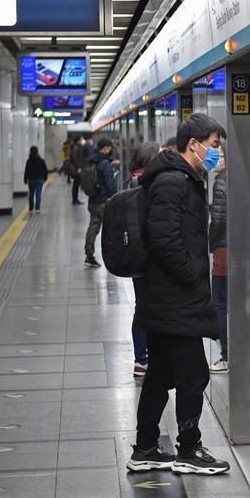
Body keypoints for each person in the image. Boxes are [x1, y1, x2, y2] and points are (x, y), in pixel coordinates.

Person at [127, 114, 230, 476]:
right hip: (174, 298)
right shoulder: (173, 181)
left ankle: (145, 448)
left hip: (167, 298)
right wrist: (192, 276)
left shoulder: (181, 178)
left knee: (159, 377)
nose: (216, 153)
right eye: (214, 145)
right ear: (194, 144)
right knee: (193, 375)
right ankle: (188, 448)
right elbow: (165, 240)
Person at [126, 141, 162, 377]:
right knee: (154, 307)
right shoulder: (150, 183)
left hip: (135, 255)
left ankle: (141, 359)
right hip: (152, 256)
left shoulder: (130, 181)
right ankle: (151, 358)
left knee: (141, 306)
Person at [209, 143, 228, 373]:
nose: (216, 158)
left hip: (224, 250)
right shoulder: (244, 177)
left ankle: (226, 356)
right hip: (243, 251)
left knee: (220, 305)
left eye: (220, 154)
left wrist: (211, 243)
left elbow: (218, 220)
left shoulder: (222, 181)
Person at [84, 138, 118, 268]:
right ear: (105, 148)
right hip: (104, 202)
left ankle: (89, 256)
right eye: (110, 148)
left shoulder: (91, 160)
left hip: (93, 200)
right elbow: (110, 184)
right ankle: (113, 255)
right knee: (111, 230)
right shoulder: (104, 163)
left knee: (92, 229)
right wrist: (114, 197)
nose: (111, 150)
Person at [23, 146, 48, 214]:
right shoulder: (41, 160)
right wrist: (45, 178)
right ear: (37, 151)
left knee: (31, 194)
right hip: (40, 179)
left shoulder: (29, 161)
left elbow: (26, 171)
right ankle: (37, 209)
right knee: (38, 194)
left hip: (31, 180)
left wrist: (25, 179)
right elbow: (45, 170)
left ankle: (31, 208)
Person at [70, 136, 87, 205]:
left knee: (76, 185)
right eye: (81, 140)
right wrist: (78, 168)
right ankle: (75, 200)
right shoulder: (76, 148)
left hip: (77, 168)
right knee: (76, 185)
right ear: (78, 141)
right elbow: (75, 158)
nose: (82, 141)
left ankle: (75, 199)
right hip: (77, 169)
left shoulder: (77, 147)